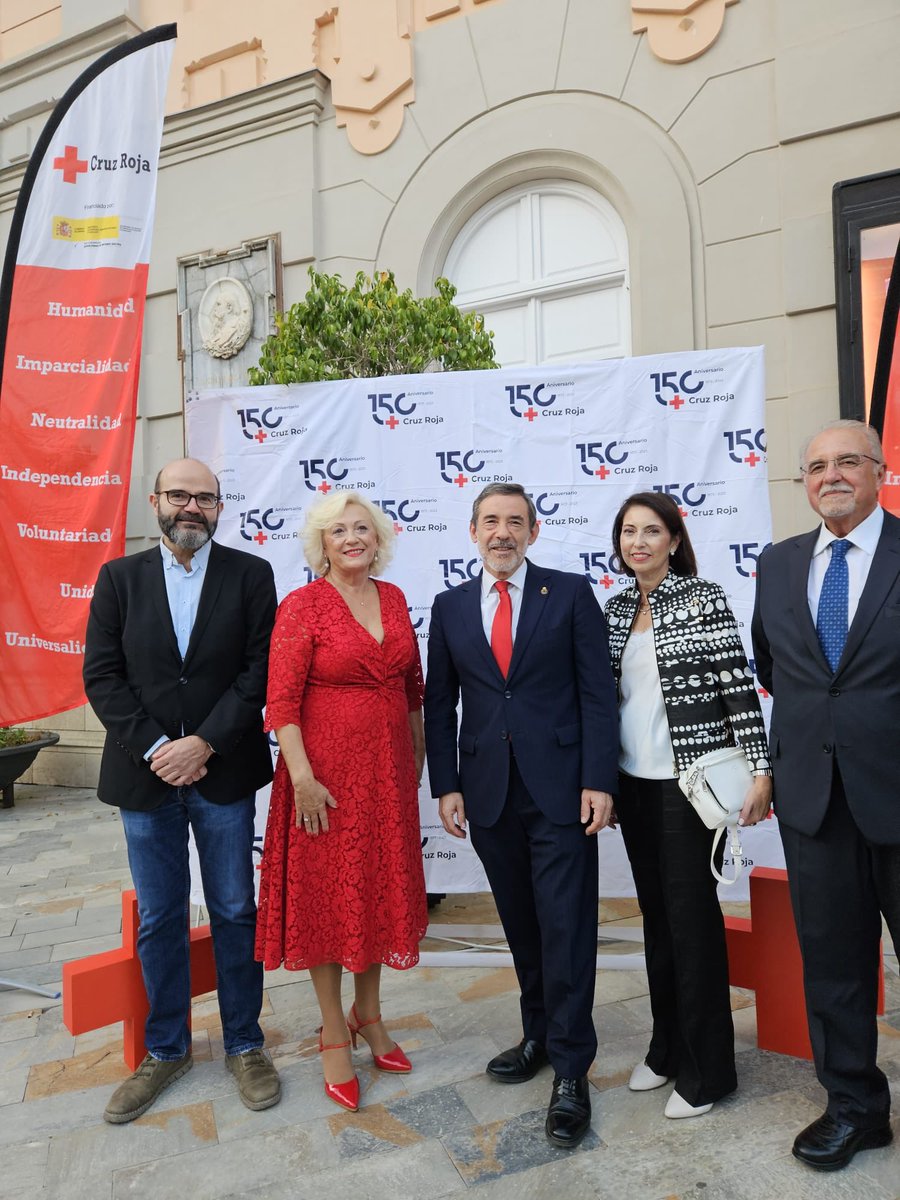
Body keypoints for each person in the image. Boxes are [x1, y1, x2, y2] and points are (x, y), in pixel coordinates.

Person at [83, 457, 281, 1123]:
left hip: (222, 771)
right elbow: (103, 677)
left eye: (204, 497)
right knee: (163, 917)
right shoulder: (118, 579)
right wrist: (158, 748)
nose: (190, 506)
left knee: (232, 909)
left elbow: (260, 671)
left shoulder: (252, 576)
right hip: (145, 778)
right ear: (155, 501)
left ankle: (246, 1043)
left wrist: (206, 742)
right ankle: (166, 1050)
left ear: (220, 507)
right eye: (179, 495)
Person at [424, 482, 618, 1149]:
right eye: (490, 522)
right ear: (472, 532)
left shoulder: (566, 593)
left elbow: (598, 694)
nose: (502, 532)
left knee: (567, 927)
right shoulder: (449, 607)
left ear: (534, 532)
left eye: (514, 522)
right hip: (488, 793)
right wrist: (446, 785)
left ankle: (571, 1068)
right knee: (523, 925)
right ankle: (537, 1033)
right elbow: (439, 702)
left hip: (562, 790)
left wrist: (599, 779)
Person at [751, 419, 900, 1170]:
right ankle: (854, 1109)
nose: (831, 476)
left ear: (880, 471)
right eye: (816, 467)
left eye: (848, 462)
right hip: (814, 802)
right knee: (834, 967)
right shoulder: (776, 567)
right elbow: (775, 667)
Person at [255, 491, 427, 1113]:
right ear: (321, 544)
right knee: (328, 901)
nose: (352, 538)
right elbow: (282, 701)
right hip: (322, 779)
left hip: (387, 778)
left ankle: (370, 1015)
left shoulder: (395, 599)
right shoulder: (302, 608)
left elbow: (413, 688)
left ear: (378, 540)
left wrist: (417, 758)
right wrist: (301, 777)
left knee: (375, 894)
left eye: (362, 529)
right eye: (339, 531)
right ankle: (333, 1030)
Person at [604, 492, 772, 1119]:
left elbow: (736, 687)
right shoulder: (615, 608)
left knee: (693, 925)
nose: (639, 542)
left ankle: (710, 1073)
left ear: (674, 539)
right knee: (656, 922)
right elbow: (606, 703)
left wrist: (761, 770)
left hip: (690, 787)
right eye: (628, 532)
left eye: (652, 531)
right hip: (633, 786)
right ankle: (666, 1047)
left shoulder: (702, 599)